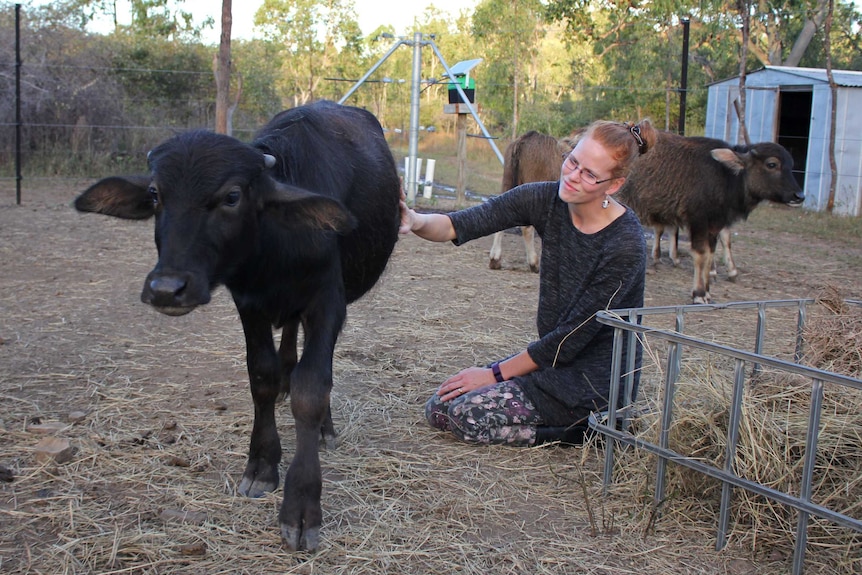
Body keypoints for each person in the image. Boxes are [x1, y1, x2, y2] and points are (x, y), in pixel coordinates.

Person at [398, 119, 657, 446]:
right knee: (439, 408)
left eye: (589, 174)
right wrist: (415, 219)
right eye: (572, 160)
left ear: (614, 185)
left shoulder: (625, 244)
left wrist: (492, 373)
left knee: (468, 417)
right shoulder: (547, 200)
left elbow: (571, 337)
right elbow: (460, 223)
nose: (573, 176)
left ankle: (591, 432)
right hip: (550, 367)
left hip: (593, 387)